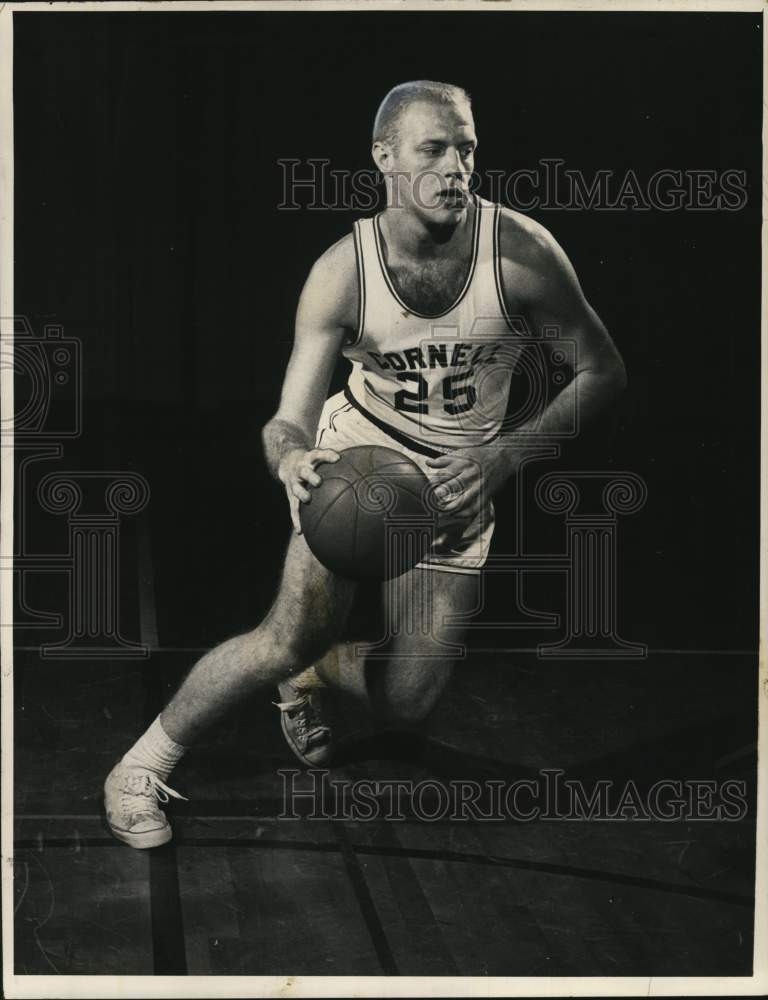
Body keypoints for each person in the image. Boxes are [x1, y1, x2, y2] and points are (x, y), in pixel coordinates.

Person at [104, 80, 626, 848]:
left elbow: (604, 371)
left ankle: (311, 676)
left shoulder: (520, 252)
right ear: (384, 157)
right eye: (434, 149)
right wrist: (290, 461)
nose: (457, 167)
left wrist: (505, 456)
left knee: (408, 704)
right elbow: (287, 420)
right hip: (362, 461)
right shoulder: (343, 271)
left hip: (461, 477)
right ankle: (140, 767)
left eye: (468, 148)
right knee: (287, 633)